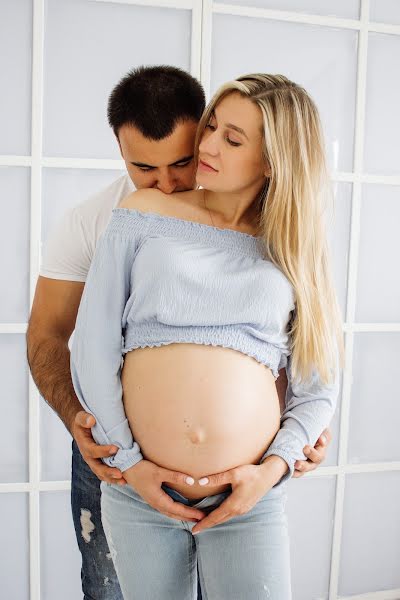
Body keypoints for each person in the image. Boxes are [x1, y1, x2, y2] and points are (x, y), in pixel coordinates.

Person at [26, 66, 333, 600]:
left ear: (273, 157)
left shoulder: (292, 244)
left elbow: (316, 375)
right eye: (143, 166)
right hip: (124, 463)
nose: (208, 148)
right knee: (105, 587)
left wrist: (283, 459)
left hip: (246, 491)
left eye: (226, 138)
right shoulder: (119, 215)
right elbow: (70, 340)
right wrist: (122, 456)